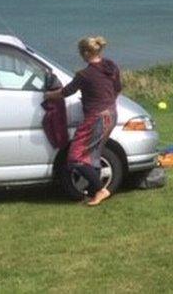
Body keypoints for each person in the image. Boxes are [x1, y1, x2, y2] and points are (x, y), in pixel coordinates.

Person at [45, 36, 121, 206]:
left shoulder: (84, 74)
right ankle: (94, 193)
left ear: (86, 52)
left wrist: (48, 95)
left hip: (96, 117)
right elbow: (117, 89)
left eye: (80, 52)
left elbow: (65, 92)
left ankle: (100, 190)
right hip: (112, 114)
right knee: (93, 154)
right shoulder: (111, 66)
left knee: (76, 157)